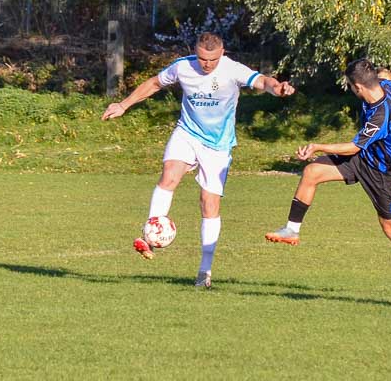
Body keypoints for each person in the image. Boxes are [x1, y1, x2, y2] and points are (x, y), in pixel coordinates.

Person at [101, 32, 295, 289]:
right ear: (196, 52)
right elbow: (154, 84)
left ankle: (205, 270)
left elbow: (262, 81)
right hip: (187, 133)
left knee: (209, 203)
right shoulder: (183, 67)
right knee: (169, 175)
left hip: (218, 146)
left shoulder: (232, 70)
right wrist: (124, 105)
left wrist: (277, 88)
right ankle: (151, 235)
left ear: (222, 52)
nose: (207, 64)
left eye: (212, 59)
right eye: (203, 58)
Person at [264, 59, 391, 295]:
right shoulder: (385, 84)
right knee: (312, 172)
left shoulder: (379, 116)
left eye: (351, 88)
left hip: (383, 175)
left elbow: (353, 147)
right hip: (363, 159)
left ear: (358, 87)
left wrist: (317, 146)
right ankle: (292, 229)